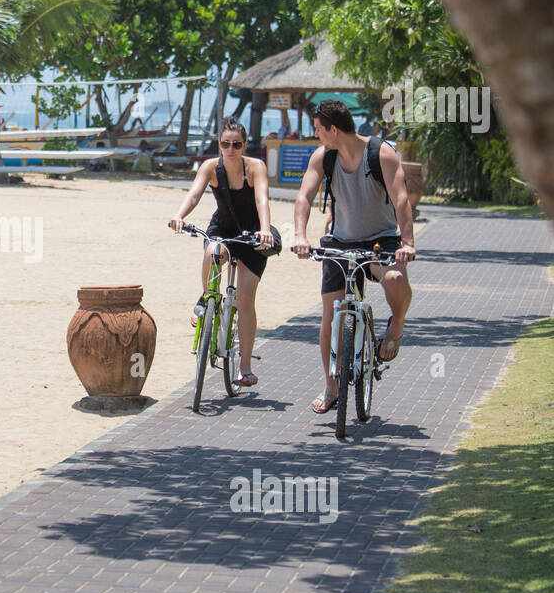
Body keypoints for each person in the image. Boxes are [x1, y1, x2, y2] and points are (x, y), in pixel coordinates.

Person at [291, 99, 416, 414]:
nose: (316, 136)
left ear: (333, 129)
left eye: (319, 130)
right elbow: (304, 196)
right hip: (341, 242)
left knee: (396, 278)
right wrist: (300, 236)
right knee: (331, 314)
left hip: (381, 240)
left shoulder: (381, 154)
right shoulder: (324, 157)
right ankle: (331, 387)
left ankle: (396, 325)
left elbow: (401, 199)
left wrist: (408, 242)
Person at [168, 117, 274, 387]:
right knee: (212, 251)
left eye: (236, 144)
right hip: (223, 229)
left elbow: (262, 198)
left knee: (246, 300)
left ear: (245, 145)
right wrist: (179, 216)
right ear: (219, 144)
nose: (230, 148)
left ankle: (245, 368)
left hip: (251, 234)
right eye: (225, 143)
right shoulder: (210, 167)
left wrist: (264, 230)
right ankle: (207, 298)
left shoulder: (255, 167)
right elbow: (194, 194)